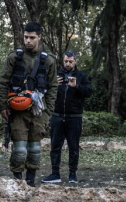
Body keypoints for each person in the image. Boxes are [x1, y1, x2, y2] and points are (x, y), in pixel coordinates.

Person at [0, 22, 58, 187]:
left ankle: (30, 182)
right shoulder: (14, 57)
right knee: (20, 150)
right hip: (17, 112)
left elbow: (53, 87)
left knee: (35, 150)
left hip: (39, 111)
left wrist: (48, 112)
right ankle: (18, 181)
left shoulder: (49, 61)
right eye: (26, 37)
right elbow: (3, 82)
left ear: (39, 37)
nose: (28, 41)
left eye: (32, 38)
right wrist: (3, 106)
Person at [42, 50, 92, 184]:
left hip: (74, 117)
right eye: (66, 61)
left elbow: (89, 92)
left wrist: (77, 86)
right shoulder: (55, 75)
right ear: (63, 61)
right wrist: (53, 85)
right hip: (57, 116)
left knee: (74, 147)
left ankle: (72, 175)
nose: (68, 64)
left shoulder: (81, 76)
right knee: (55, 146)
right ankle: (55, 174)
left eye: (70, 61)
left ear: (75, 61)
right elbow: (43, 90)